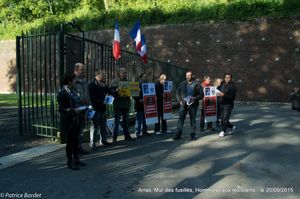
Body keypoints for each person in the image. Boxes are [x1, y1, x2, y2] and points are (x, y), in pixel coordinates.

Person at [57, 73, 86, 170]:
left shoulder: (73, 91)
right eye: (74, 80)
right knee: (70, 142)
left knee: (76, 140)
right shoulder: (62, 93)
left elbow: (78, 103)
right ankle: (70, 161)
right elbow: (61, 109)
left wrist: (84, 108)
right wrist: (73, 110)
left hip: (77, 120)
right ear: (69, 81)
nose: (75, 82)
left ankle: (76, 159)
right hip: (69, 122)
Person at [174, 71, 203, 140]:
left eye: (189, 75)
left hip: (193, 105)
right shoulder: (182, 83)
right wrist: (179, 101)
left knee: (192, 120)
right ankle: (178, 134)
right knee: (181, 120)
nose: (187, 77)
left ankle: (192, 135)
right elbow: (177, 93)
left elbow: (201, 95)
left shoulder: (197, 84)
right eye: (186, 75)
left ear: (192, 76)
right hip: (183, 104)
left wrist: (195, 98)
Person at [88, 70, 113, 150]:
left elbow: (109, 91)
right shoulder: (92, 84)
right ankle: (92, 143)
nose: (104, 76)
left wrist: (105, 86)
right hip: (95, 108)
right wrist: (101, 101)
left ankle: (103, 140)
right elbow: (91, 97)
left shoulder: (102, 84)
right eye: (103, 75)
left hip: (103, 108)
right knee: (95, 126)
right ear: (98, 75)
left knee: (103, 124)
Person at [111, 68, 134, 144]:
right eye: (123, 72)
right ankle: (114, 138)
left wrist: (135, 91)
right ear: (119, 73)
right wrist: (116, 90)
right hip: (118, 105)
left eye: (125, 72)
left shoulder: (128, 81)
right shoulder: (115, 81)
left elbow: (132, 92)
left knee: (126, 122)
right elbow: (111, 91)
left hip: (126, 104)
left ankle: (127, 135)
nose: (125, 73)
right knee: (117, 122)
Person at [73, 63, 89, 155]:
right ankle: (75, 148)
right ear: (76, 70)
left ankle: (79, 146)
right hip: (76, 110)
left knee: (81, 129)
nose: (83, 71)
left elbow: (87, 94)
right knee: (75, 130)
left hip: (84, 109)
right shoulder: (72, 81)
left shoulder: (84, 81)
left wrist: (89, 104)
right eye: (82, 70)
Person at [218, 73, 237, 137]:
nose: (227, 78)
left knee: (225, 118)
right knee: (222, 118)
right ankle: (232, 126)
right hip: (221, 103)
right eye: (226, 77)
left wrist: (224, 95)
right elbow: (218, 89)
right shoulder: (222, 84)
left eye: (228, 77)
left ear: (231, 78)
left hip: (228, 104)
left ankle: (223, 131)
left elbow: (232, 97)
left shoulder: (233, 87)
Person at [133, 73, 151, 137]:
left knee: (145, 118)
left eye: (147, 77)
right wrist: (139, 100)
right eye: (145, 77)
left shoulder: (147, 84)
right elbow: (134, 94)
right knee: (139, 118)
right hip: (139, 104)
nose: (146, 78)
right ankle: (137, 132)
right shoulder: (137, 84)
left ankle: (144, 131)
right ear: (141, 77)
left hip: (146, 104)